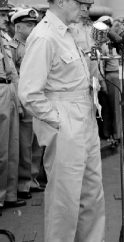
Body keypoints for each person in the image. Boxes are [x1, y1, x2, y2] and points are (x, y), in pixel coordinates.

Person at [18, 0, 106, 241]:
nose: (85, 7)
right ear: (62, 1)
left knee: (92, 193)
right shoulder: (45, 36)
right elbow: (29, 92)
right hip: (65, 117)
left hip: (84, 113)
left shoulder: (67, 33)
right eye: (81, 2)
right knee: (65, 197)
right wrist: (58, 121)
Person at [9, 8, 40, 200]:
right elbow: (12, 76)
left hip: (38, 96)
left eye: (33, 25)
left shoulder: (36, 44)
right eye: (28, 25)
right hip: (23, 97)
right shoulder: (11, 47)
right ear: (17, 26)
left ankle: (33, 179)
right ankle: (23, 183)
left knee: (36, 142)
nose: (32, 28)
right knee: (24, 143)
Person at [0, 0, 24, 212]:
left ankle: (9, 194)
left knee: (11, 146)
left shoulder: (5, 38)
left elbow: (12, 71)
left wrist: (17, 96)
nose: (4, 18)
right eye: (1, 14)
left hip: (8, 89)